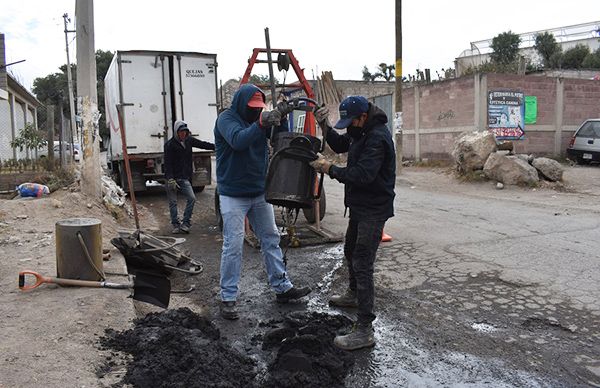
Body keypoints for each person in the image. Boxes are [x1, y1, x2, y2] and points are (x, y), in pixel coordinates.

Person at [213, 83, 311, 320]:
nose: (256, 112)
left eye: (259, 108)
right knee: (233, 245)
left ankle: (282, 287)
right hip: (233, 192)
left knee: (271, 238)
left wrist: (282, 117)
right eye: (252, 108)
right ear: (241, 103)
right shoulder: (226, 119)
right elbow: (238, 140)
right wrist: (261, 123)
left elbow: (280, 139)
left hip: (258, 190)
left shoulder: (260, 117)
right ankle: (228, 297)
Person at [310, 96, 396, 350]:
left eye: (351, 121)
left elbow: (363, 175)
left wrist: (330, 169)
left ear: (363, 117)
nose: (349, 127)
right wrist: (324, 124)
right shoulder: (360, 131)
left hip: (374, 208)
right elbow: (338, 146)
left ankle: (365, 329)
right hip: (359, 206)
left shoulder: (377, 137)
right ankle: (354, 294)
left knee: (362, 261)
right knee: (350, 251)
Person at [164, 120, 215, 234]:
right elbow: (168, 164)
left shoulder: (189, 141)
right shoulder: (169, 145)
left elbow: (203, 144)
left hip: (183, 178)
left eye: (185, 132)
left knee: (192, 198)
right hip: (172, 178)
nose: (183, 134)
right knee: (173, 202)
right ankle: (175, 225)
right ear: (176, 132)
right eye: (181, 132)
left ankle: (186, 223)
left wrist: (217, 147)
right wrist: (171, 179)